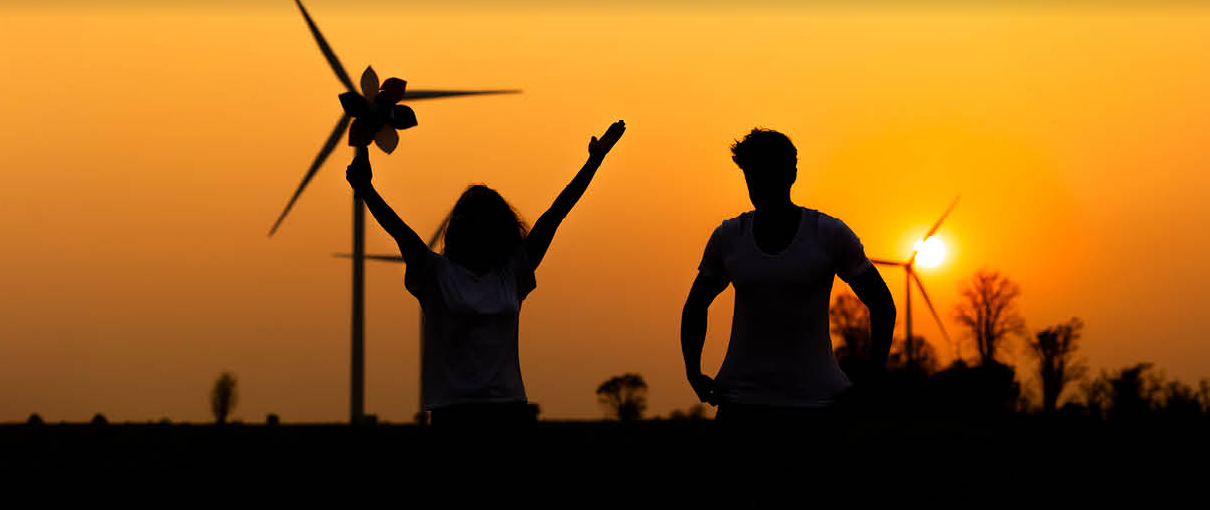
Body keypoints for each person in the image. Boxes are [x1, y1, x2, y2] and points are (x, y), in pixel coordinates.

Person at [346, 120, 626, 427]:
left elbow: (555, 215)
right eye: (465, 216)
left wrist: (594, 162)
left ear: (497, 228)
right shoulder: (436, 275)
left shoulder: (511, 273)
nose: (471, 224)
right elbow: (398, 230)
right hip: (453, 415)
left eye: (480, 218)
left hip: (509, 412)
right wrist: (367, 190)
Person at [679, 128, 896, 432]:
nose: (758, 185)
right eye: (751, 176)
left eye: (767, 174)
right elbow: (695, 306)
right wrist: (693, 372)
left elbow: (882, 303)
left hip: (816, 408)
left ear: (791, 174)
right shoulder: (729, 238)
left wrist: (872, 379)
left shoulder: (828, 234)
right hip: (741, 408)